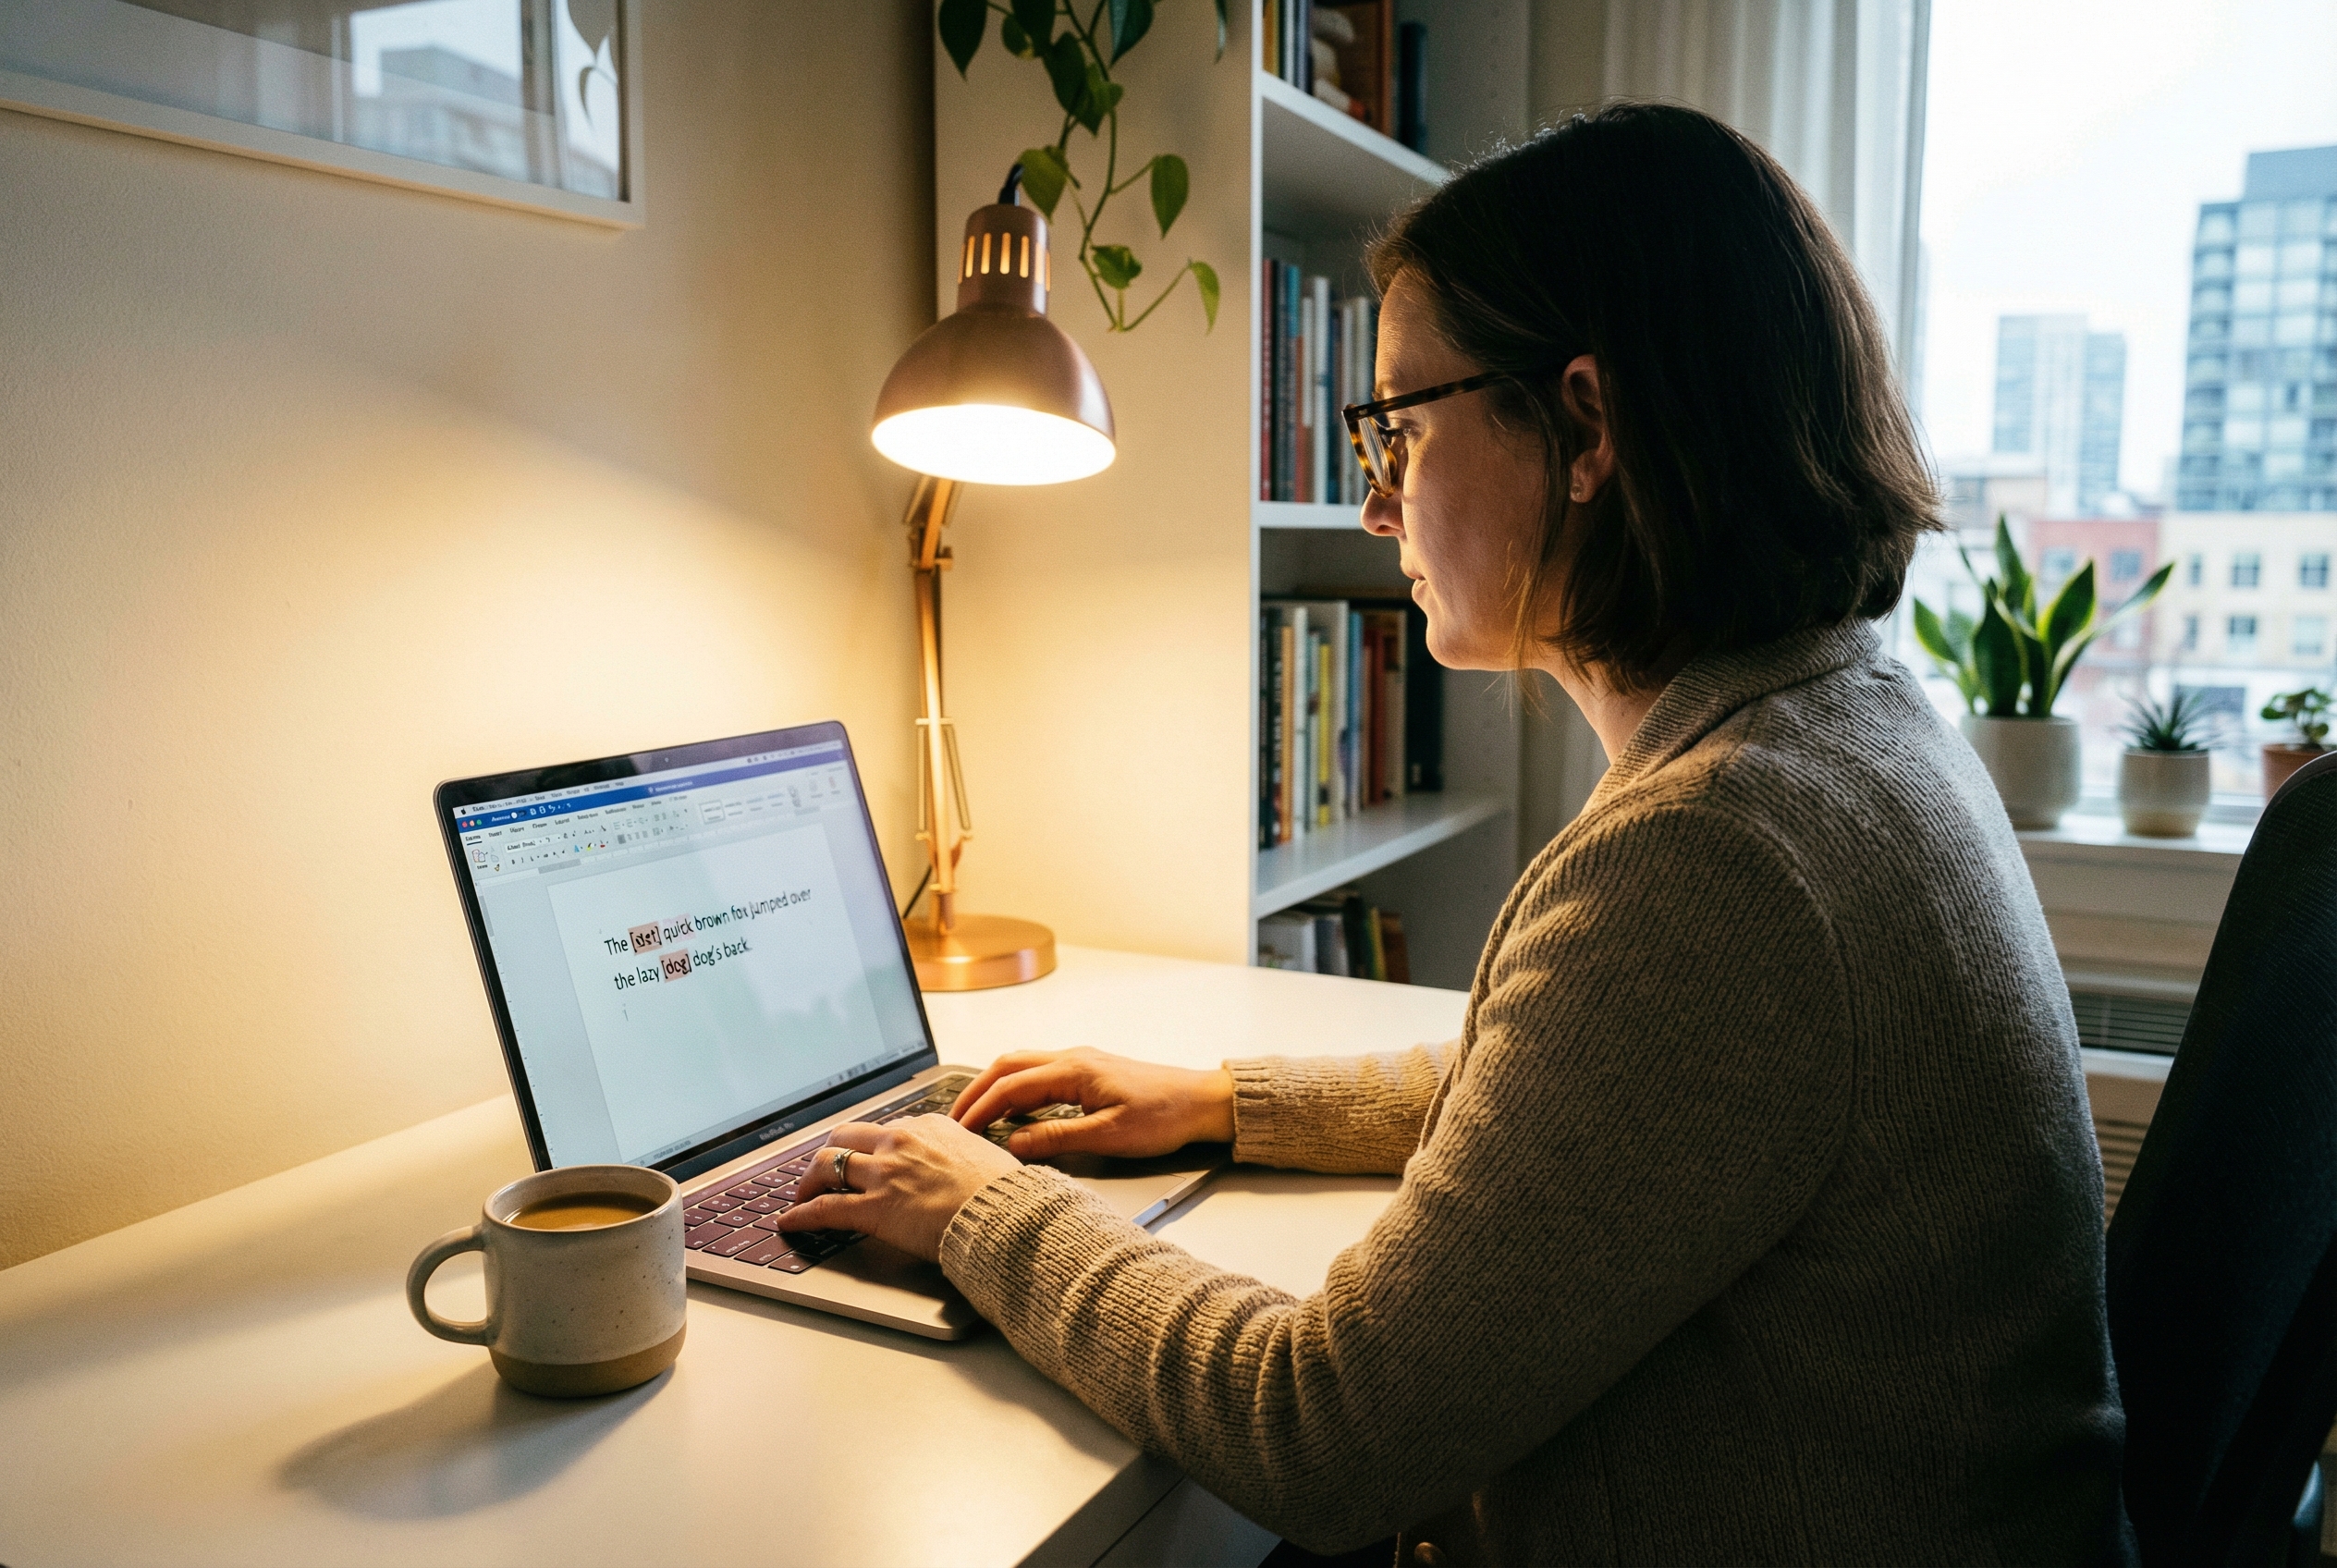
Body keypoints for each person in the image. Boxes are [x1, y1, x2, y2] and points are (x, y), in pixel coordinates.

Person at [777, 103, 2128, 1565]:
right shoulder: (1846, 724)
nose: (1372, 502)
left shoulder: (1725, 853)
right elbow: (1587, 1092)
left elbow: (1325, 1433)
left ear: (1587, 427)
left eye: (1399, 426)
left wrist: (987, 1206)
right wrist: (1226, 1100)